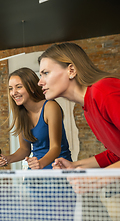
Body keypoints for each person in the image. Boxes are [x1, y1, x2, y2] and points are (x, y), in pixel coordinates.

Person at [37, 42, 120, 170]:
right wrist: (74, 165)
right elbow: (116, 154)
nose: (40, 82)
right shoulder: (88, 109)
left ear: (71, 70)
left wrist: (96, 179)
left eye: (46, 73)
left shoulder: (104, 91)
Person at [0, 67, 72, 169]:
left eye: (18, 87)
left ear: (31, 87)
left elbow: (55, 148)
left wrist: (40, 163)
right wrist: (8, 159)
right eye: (10, 89)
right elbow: (24, 150)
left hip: (58, 168)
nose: (13, 93)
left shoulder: (50, 107)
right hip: (36, 170)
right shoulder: (20, 115)